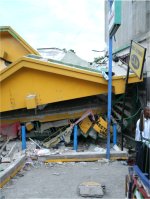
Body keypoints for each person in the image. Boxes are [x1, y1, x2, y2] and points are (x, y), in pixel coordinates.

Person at [135, 106, 150, 175]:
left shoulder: (149, 121)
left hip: (147, 143)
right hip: (141, 143)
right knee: (140, 159)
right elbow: (142, 134)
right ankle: (139, 174)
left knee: (147, 160)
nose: (149, 112)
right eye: (148, 111)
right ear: (144, 112)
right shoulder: (140, 121)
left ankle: (146, 173)